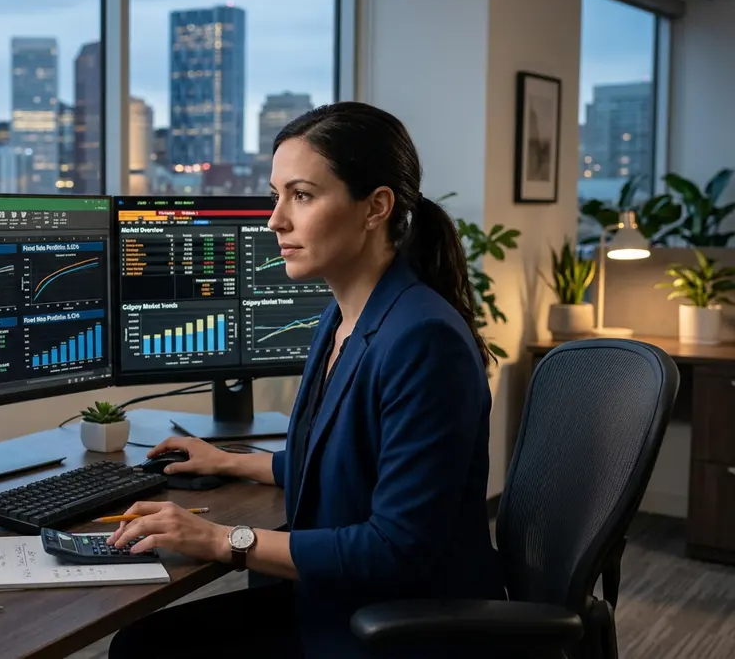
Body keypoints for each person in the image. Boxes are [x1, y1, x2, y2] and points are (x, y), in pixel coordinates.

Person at [106, 102, 506, 659]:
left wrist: (222, 539)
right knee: (145, 642)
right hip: (340, 602)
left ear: (376, 207)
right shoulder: (345, 316)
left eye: (302, 195)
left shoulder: (423, 340)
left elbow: (397, 550)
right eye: (276, 195)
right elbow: (344, 462)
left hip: (394, 627)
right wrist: (226, 460)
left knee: (145, 649)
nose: (275, 219)